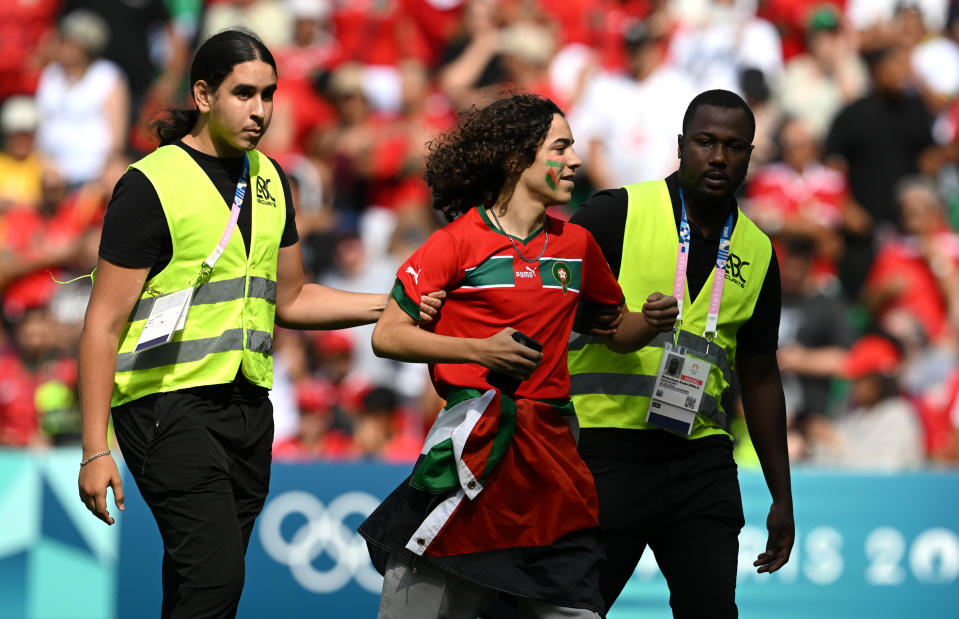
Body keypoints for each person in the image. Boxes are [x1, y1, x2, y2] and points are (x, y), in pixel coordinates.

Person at [75, 30, 440, 619]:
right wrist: (95, 449)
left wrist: (394, 303)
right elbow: (102, 324)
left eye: (269, 95)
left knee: (200, 585)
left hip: (248, 408)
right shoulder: (151, 184)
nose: (261, 110)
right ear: (202, 94)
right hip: (165, 406)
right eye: (244, 94)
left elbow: (291, 299)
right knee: (215, 582)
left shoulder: (271, 179)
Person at [358, 93, 678, 618]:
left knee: (576, 606)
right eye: (561, 147)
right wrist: (480, 350)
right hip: (470, 456)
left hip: (553, 466)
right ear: (515, 159)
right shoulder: (454, 243)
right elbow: (389, 335)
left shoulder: (576, 245)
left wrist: (650, 321)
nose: (574, 160)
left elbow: (615, 329)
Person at [567, 89, 795, 617]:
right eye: (705, 142)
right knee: (572, 611)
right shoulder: (615, 212)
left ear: (750, 155)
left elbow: (760, 376)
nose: (719, 157)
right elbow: (545, 302)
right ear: (680, 146)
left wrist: (780, 495)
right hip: (603, 453)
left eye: (735, 146)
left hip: (700, 459)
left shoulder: (758, 250)